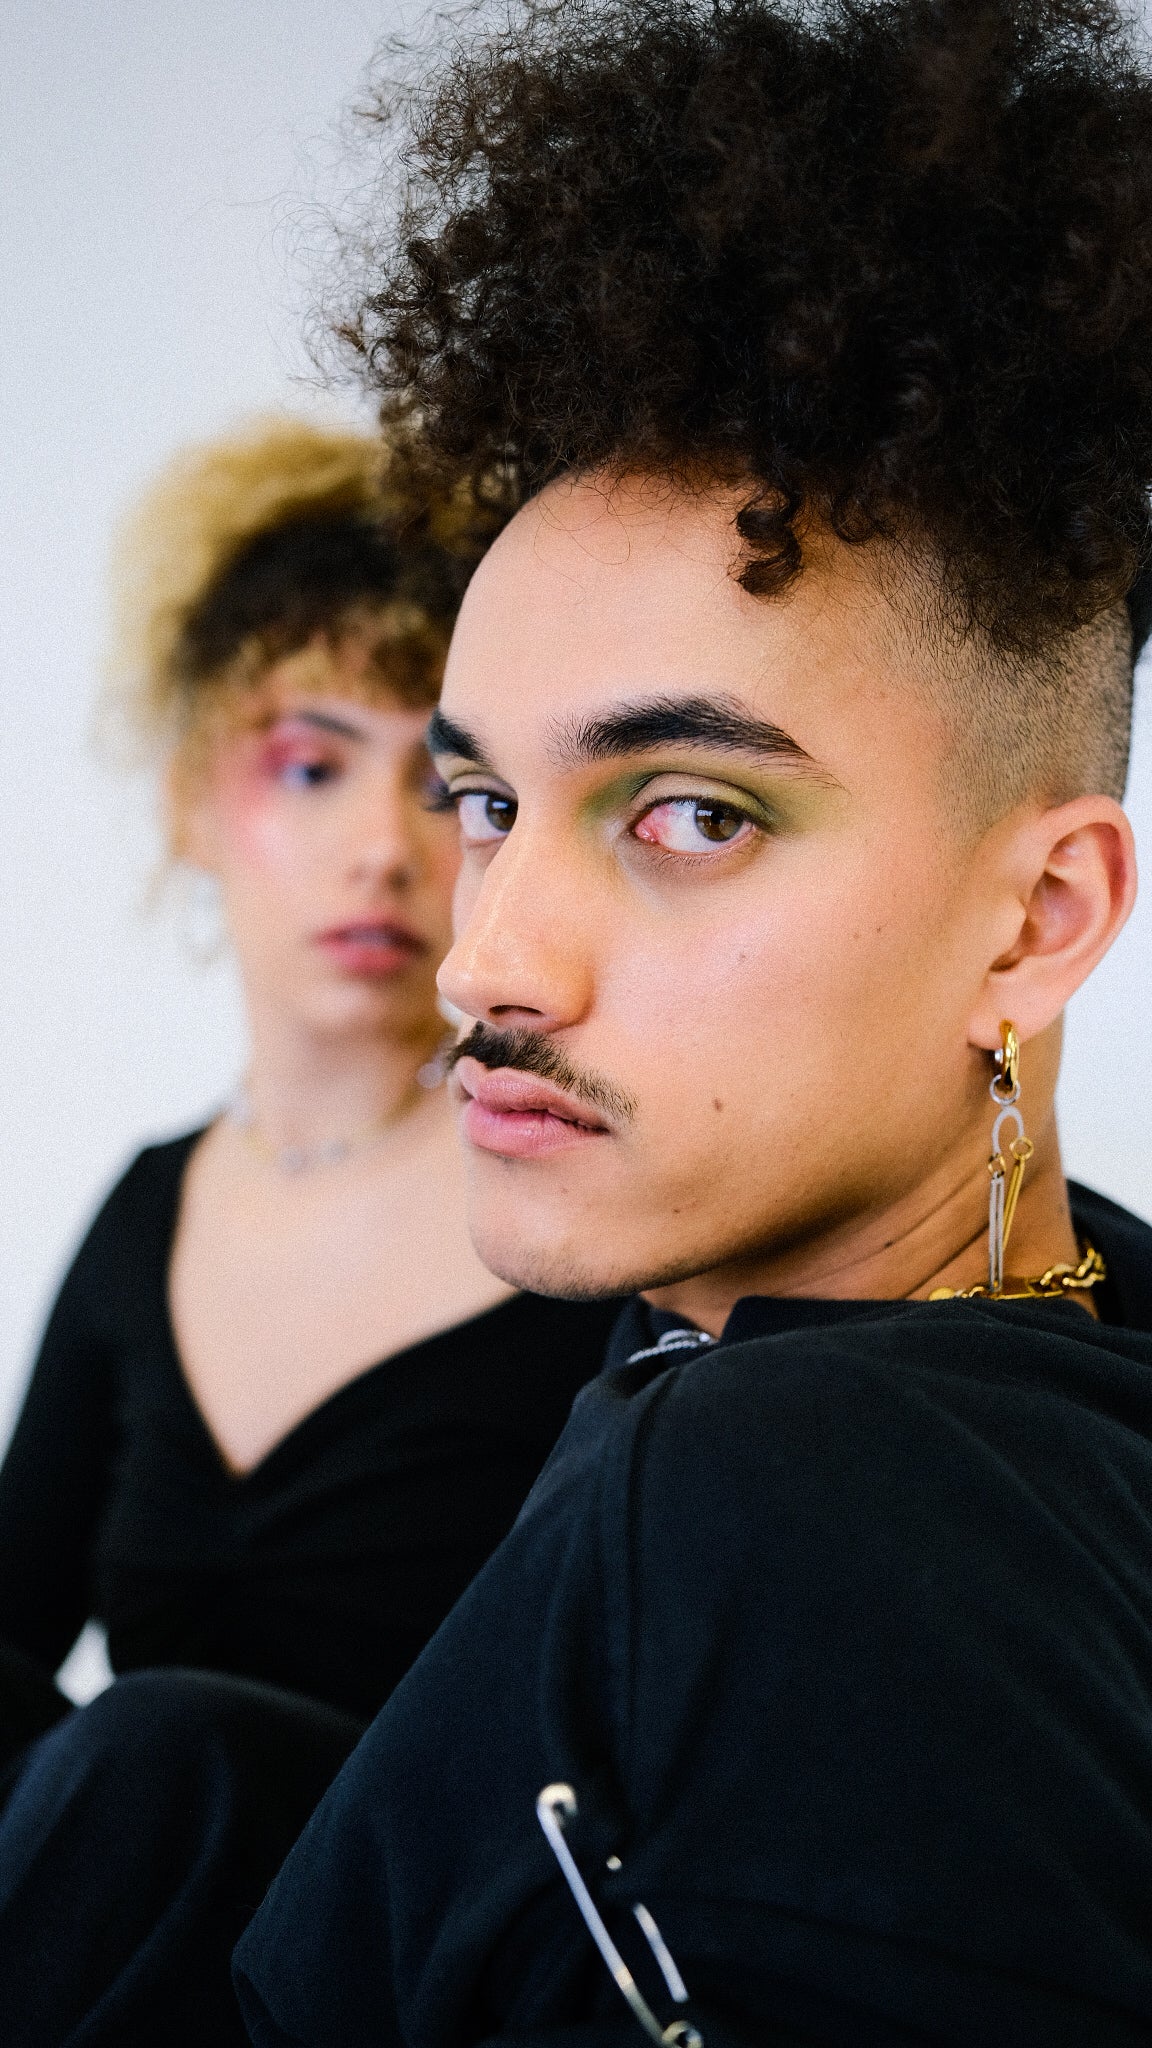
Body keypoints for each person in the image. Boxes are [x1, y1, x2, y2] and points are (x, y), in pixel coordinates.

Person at [6, 0, 1152, 2041]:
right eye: (488, 803)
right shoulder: (1046, 1359)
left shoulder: (768, 1485)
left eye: (692, 813)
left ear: (1038, 919)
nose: (489, 961)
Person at [0, 420, 619, 2031]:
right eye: (309, 763)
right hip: (122, 1965)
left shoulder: (572, 1198)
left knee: (167, 1746)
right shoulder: (151, 1209)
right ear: (192, 803)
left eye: (447, 787)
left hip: (436, 1972)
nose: (380, 847)